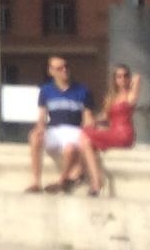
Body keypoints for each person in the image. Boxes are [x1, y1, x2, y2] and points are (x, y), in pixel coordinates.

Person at [27, 55, 102, 195]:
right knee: (34, 137)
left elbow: (87, 116)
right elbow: (42, 115)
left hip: (74, 129)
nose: (64, 70)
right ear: (51, 71)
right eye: (59, 68)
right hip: (54, 129)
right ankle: (36, 182)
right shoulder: (45, 91)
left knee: (70, 149)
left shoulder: (83, 90)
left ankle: (62, 181)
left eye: (66, 66)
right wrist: (40, 127)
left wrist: (89, 126)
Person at [85, 65, 141, 157]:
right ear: (114, 79)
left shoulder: (130, 96)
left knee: (85, 135)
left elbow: (138, 78)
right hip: (113, 131)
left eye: (125, 75)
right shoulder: (112, 98)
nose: (122, 79)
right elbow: (104, 116)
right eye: (119, 76)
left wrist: (131, 82)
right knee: (86, 138)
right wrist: (92, 120)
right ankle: (86, 169)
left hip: (124, 134)